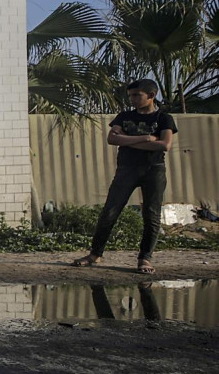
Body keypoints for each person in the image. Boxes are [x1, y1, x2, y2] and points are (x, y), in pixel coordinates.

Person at [73, 79, 177, 274]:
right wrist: (145, 138)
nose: (133, 99)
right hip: (126, 169)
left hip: (153, 170)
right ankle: (95, 254)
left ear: (151, 95)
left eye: (137, 95)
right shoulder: (124, 116)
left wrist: (127, 141)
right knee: (110, 211)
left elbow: (164, 145)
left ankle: (145, 259)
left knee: (151, 214)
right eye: (130, 96)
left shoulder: (163, 118)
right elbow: (112, 138)